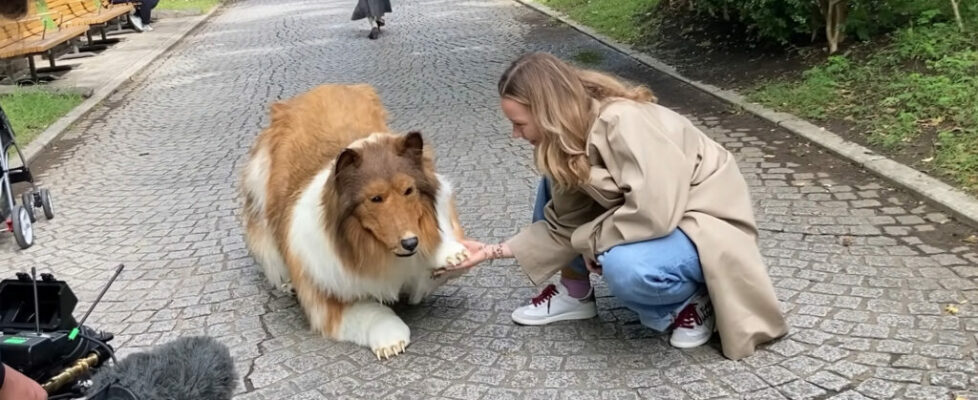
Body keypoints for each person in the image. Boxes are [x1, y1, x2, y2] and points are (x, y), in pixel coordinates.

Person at [441, 52, 788, 359]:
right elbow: (564, 223)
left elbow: (655, 212)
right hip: (660, 217)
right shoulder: (565, 139)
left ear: (547, 112)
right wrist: (488, 252)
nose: (515, 134)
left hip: (703, 222)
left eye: (519, 123)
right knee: (553, 180)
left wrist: (593, 240)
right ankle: (574, 292)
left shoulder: (623, 121)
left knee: (626, 267)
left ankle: (693, 301)